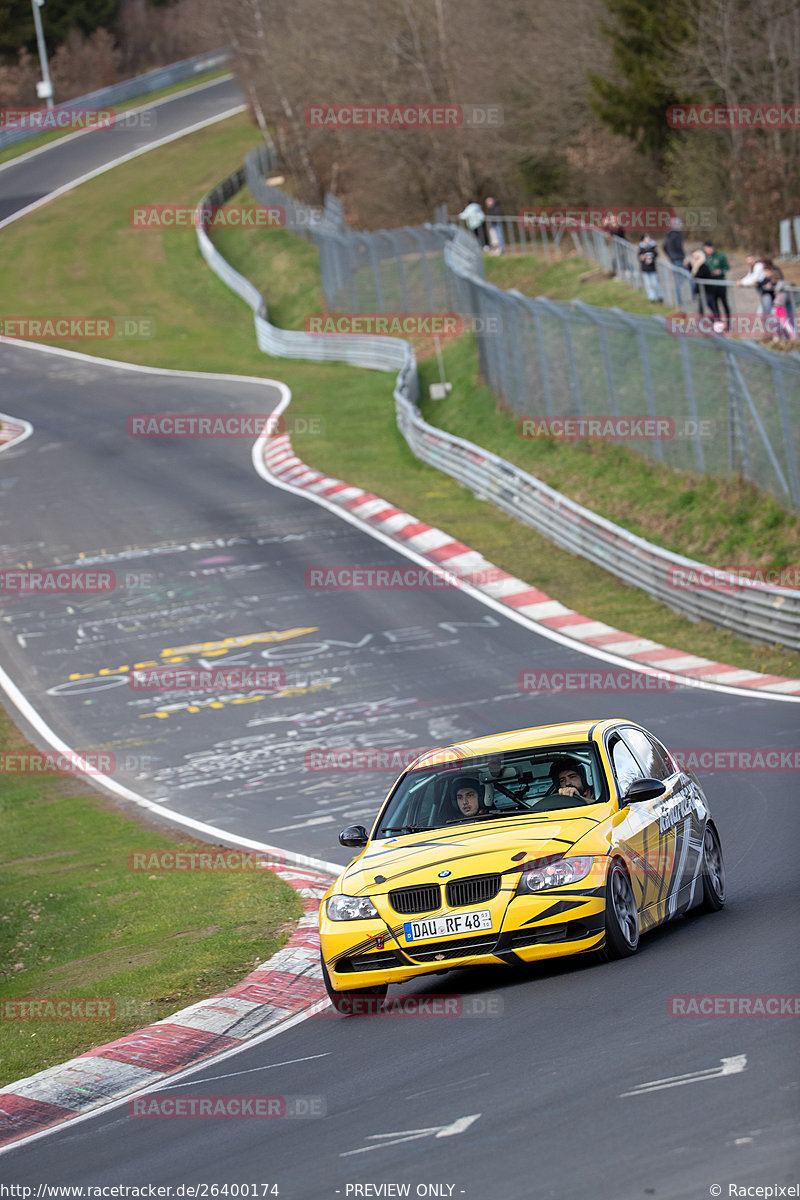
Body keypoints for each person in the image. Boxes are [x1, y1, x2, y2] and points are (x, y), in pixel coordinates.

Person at [702, 239, 731, 330]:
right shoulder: (704, 258)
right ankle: (718, 322)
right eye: (707, 248)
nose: (709, 249)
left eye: (711, 247)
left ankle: (728, 323)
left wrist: (720, 271)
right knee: (712, 304)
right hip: (710, 286)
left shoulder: (720, 256)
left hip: (720, 284)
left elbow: (727, 268)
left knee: (724, 303)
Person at [663, 217, 690, 303]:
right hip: (679, 259)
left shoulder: (669, 235)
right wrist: (684, 258)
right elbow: (679, 248)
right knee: (687, 278)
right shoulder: (677, 235)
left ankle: (680, 300)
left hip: (673, 259)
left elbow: (664, 246)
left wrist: (669, 256)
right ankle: (689, 298)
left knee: (677, 281)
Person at [638, 233, 663, 303]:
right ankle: (652, 298)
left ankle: (660, 296)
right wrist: (642, 258)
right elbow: (639, 257)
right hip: (645, 269)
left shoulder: (653, 247)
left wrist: (651, 259)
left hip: (652, 269)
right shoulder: (641, 248)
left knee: (655, 283)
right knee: (648, 284)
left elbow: (656, 254)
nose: (647, 240)